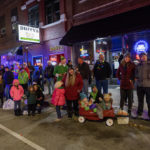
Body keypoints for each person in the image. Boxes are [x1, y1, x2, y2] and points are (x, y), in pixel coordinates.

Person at [135, 53, 150, 118]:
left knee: (149, 100)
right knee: (140, 100)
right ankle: (139, 113)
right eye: (142, 56)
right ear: (140, 58)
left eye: (144, 56)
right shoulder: (138, 65)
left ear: (146, 57)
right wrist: (136, 79)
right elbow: (136, 74)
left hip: (148, 85)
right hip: (140, 85)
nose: (143, 57)